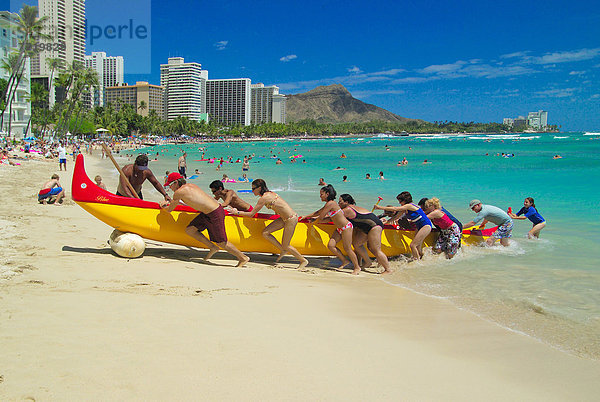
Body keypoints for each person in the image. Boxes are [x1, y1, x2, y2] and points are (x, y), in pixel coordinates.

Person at [161, 173, 249, 267]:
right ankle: (212, 247)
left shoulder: (178, 192)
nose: (170, 188)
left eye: (170, 185)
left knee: (222, 242)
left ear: (176, 182)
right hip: (208, 212)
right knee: (190, 230)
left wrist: (162, 205)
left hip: (215, 213)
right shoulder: (191, 186)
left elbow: (170, 209)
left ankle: (243, 258)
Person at [230, 179, 308, 270]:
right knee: (265, 233)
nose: (252, 191)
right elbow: (279, 206)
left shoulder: (263, 198)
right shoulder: (270, 194)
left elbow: (251, 214)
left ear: (259, 188)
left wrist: (236, 212)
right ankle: (282, 250)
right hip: (284, 218)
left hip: (291, 219)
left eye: (253, 188)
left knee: (286, 244)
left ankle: (303, 260)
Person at [303, 185, 361, 274]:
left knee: (348, 248)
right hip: (339, 228)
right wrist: (306, 216)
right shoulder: (328, 204)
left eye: (321, 194)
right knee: (331, 245)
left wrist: (314, 222)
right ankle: (345, 261)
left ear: (327, 194)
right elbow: (318, 212)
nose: (320, 196)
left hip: (346, 228)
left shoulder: (331, 203)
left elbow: (321, 217)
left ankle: (357, 267)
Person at [338, 194, 391, 273]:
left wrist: (316, 218)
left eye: (340, 202)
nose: (338, 203)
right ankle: (368, 262)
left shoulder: (347, 210)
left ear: (346, 202)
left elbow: (333, 216)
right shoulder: (352, 207)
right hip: (366, 227)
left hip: (374, 226)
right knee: (356, 244)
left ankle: (388, 270)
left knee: (376, 249)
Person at [374, 191, 432, 260]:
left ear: (405, 200)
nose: (399, 203)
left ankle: (416, 261)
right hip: (419, 226)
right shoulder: (405, 208)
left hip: (426, 226)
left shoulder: (410, 206)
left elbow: (395, 209)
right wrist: (386, 222)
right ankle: (424, 259)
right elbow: (396, 217)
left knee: (413, 245)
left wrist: (380, 207)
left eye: (400, 201)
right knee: (418, 247)